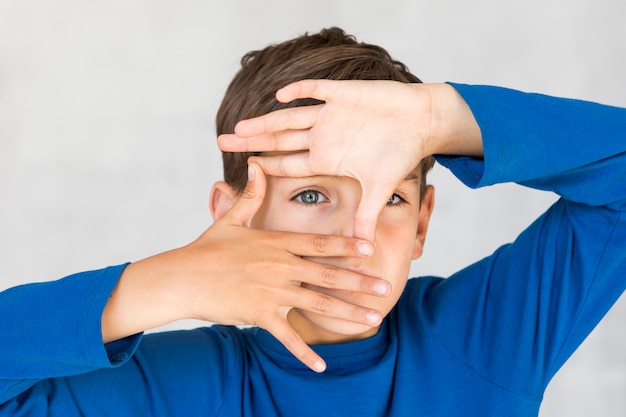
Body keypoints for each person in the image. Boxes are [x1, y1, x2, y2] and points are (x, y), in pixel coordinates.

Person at [1, 27, 624, 416]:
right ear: (232, 219)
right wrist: (168, 282)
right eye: (310, 197)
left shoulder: (485, 340)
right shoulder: (174, 387)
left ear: (423, 225)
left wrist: (439, 118)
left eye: (391, 201)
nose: (356, 238)